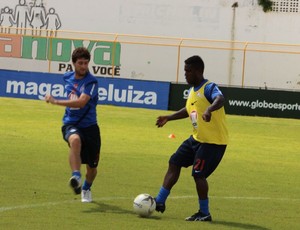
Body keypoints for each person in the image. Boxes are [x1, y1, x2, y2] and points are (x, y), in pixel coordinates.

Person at [154, 55, 228, 221]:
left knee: (198, 174)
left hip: (213, 142)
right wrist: (168, 117)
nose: (185, 74)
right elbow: (189, 110)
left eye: (188, 71)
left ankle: (204, 213)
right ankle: (159, 201)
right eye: (185, 71)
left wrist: (209, 110)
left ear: (198, 71)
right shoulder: (193, 91)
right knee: (174, 162)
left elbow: (220, 99)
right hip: (196, 139)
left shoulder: (208, 87)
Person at [45, 47, 101, 203]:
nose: (83, 66)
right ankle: (76, 176)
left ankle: (86, 188)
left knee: (92, 168)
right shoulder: (67, 77)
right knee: (75, 140)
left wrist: (56, 101)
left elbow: (82, 102)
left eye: (86, 63)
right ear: (74, 63)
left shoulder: (92, 82)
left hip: (90, 127)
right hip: (70, 123)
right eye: (80, 63)